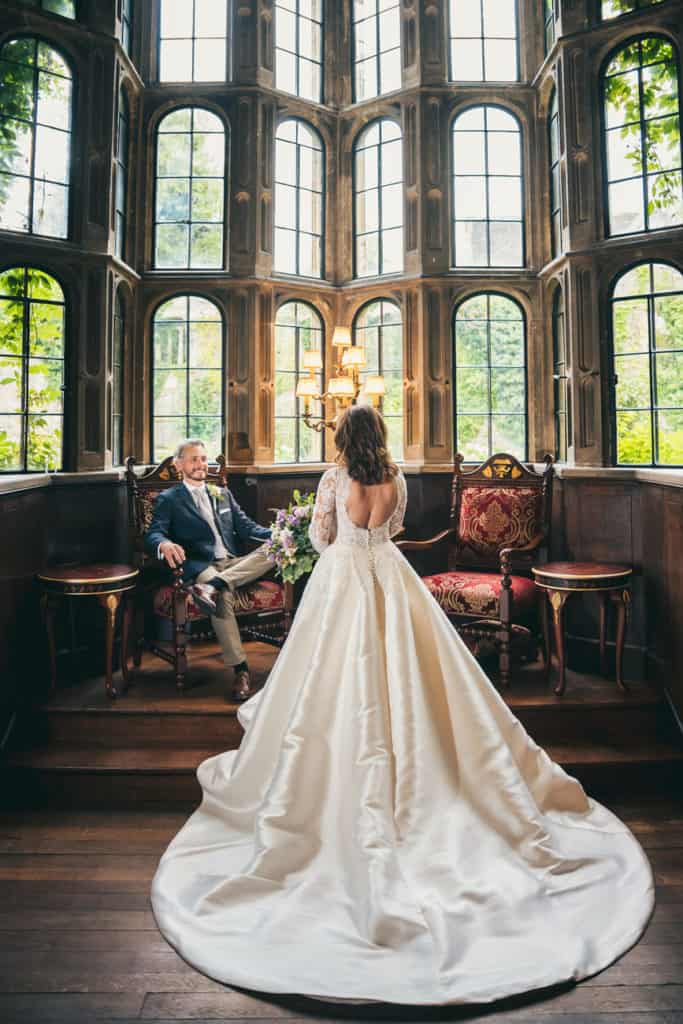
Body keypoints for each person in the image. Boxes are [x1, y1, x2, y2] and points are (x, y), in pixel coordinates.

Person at [150, 406, 654, 1007]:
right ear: (380, 437)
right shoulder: (396, 477)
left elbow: (322, 539)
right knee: (412, 672)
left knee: (328, 675)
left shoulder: (334, 478)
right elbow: (392, 530)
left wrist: (334, 536)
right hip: (389, 576)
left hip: (342, 579)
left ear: (344, 438)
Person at [144, 438, 272, 702]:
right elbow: (154, 533)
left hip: (233, 561)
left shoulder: (222, 493)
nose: (201, 464)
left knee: (278, 550)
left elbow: (247, 528)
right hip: (201, 566)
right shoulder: (169, 499)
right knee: (221, 595)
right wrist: (164, 543)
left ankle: (213, 585)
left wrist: (279, 533)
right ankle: (241, 670)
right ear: (179, 465)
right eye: (193, 459)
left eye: (203, 459)